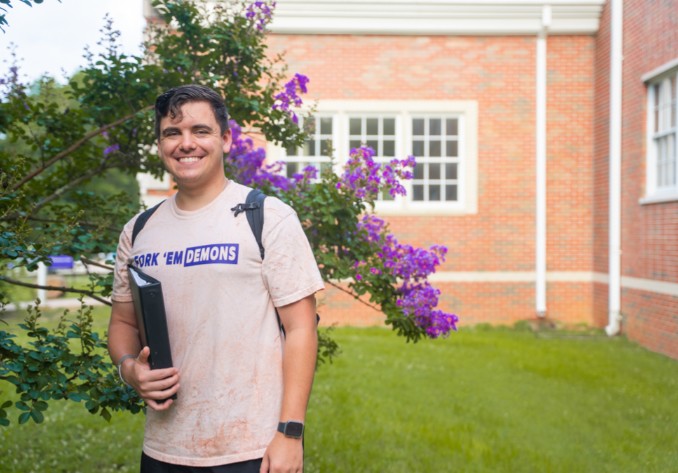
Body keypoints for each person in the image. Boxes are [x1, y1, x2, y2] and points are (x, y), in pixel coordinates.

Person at [108, 84, 324, 473]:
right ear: (160, 145)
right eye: (172, 133)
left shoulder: (267, 217)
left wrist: (290, 433)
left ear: (225, 140)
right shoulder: (138, 231)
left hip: (252, 449)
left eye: (200, 131)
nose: (185, 143)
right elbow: (123, 322)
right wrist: (129, 369)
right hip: (163, 449)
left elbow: (302, 329)